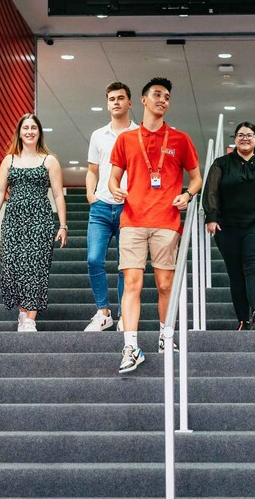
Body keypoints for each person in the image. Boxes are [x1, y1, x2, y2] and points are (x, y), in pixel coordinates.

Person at [109, 77, 202, 373]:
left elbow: (197, 177)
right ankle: (131, 346)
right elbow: (113, 176)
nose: (163, 100)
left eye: (167, 97)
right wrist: (114, 188)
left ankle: (165, 336)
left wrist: (188, 194)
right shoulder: (126, 139)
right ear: (144, 101)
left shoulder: (180, 139)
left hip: (166, 220)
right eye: (157, 95)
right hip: (133, 219)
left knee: (165, 285)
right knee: (132, 284)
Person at [202, 122, 255, 330]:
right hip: (228, 227)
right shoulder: (221, 164)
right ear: (235, 140)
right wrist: (211, 217)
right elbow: (211, 191)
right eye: (240, 135)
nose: (245, 138)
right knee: (235, 273)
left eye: (250, 135)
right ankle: (243, 319)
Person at [0, 113, 67, 332]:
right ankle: (23, 313)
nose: (30, 131)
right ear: (19, 132)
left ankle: (30, 318)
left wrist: (62, 225)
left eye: (34, 127)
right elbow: (0, 190)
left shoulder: (49, 160)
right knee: (12, 267)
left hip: (40, 220)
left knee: (36, 267)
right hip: (13, 220)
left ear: (39, 132)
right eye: (26, 128)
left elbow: (59, 195)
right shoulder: (9, 160)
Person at [83, 82, 138, 332]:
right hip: (102, 207)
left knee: (125, 264)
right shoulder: (98, 135)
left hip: (130, 207)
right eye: (111, 99)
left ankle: (124, 315)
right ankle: (103, 312)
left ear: (130, 102)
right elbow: (92, 170)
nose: (115, 102)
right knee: (94, 259)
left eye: (120, 98)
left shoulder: (140, 134)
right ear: (107, 104)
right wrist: (90, 194)